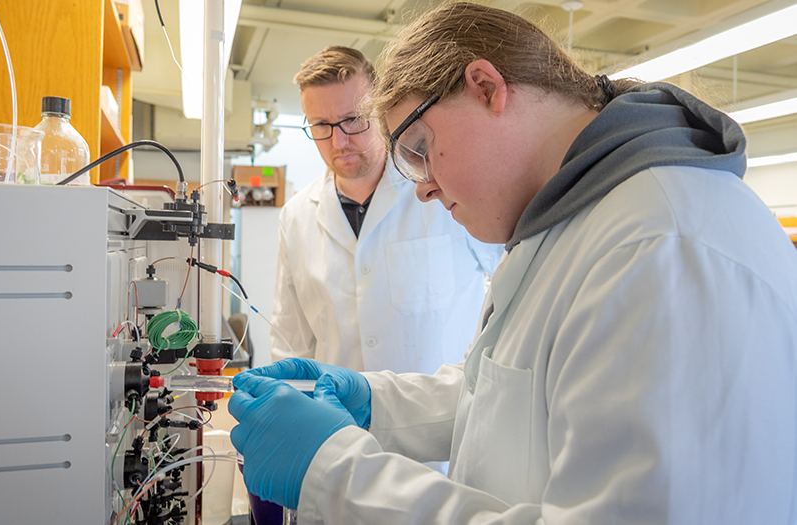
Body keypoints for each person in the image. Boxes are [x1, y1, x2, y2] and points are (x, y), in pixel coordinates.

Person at [229, 3, 797, 523]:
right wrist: (375, 401)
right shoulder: (572, 222)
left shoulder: (661, 249)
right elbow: (507, 393)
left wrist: (336, 471)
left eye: (421, 149)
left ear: (486, 87)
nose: (423, 189)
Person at [270, 45, 503, 374]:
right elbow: (290, 339)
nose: (339, 142)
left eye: (352, 120)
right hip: (336, 417)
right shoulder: (296, 217)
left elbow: (512, 284)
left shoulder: (443, 190)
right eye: (321, 125)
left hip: (437, 418)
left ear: (379, 112)